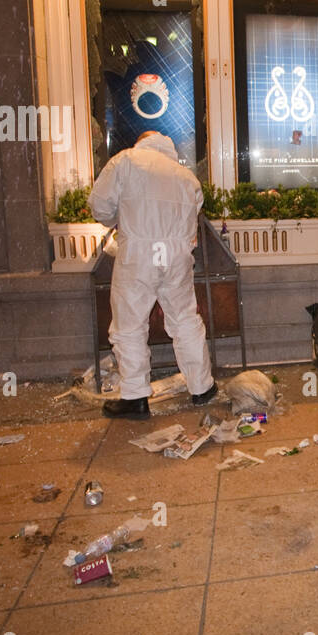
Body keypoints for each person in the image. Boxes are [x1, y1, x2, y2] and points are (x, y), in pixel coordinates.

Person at [88, 131, 217, 419]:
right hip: (176, 254)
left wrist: (118, 219)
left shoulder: (125, 162)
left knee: (129, 325)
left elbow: (99, 205)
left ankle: (135, 396)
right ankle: (202, 386)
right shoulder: (187, 178)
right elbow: (192, 218)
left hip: (139, 252)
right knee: (184, 318)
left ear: (141, 142)